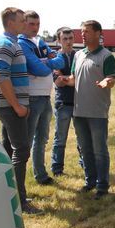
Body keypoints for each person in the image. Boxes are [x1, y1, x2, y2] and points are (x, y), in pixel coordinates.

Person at [57, 20, 115, 200]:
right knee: (85, 150)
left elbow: (111, 79)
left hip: (97, 112)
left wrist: (106, 82)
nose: (83, 35)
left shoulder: (106, 56)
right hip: (79, 112)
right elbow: (74, 79)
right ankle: (90, 181)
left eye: (87, 32)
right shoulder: (79, 55)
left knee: (99, 150)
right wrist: (63, 80)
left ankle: (102, 185)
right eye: (82, 32)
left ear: (98, 33)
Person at [0, 7, 40, 215]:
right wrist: (17, 106)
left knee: (9, 150)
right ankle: (20, 201)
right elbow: (2, 78)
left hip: (11, 106)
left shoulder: (13, 43)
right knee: (21, 150)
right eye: (21, 20)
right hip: (10, 107)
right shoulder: (4, 44)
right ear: (11, 23)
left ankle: (9, 194)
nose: (24, 23)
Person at [18, 11, 64, 186]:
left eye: (38, 24)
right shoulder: (22, 43)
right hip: (32, 97)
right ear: (24, 24)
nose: (36, 27)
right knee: (27, 142)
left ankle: (41, 175)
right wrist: (47, 61)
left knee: (42, 139)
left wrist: (44, 61)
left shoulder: (40, 41)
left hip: (45, 97)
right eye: (31, 24)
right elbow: (40, 69)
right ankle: (19, 182)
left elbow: (60, 62)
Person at [50, 27, 78, 176]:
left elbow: (80, 78)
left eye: (71, 38)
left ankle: (85, 165)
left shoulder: (79, 56)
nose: (68, 42)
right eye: (65, 39)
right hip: (63, 104)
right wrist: (72, 79)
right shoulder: (55, 58)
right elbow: (59, 82)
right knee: (60, 139)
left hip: (79, 103)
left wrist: (66, 77)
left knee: (82, 138)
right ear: (59, 40)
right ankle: (57, 169)